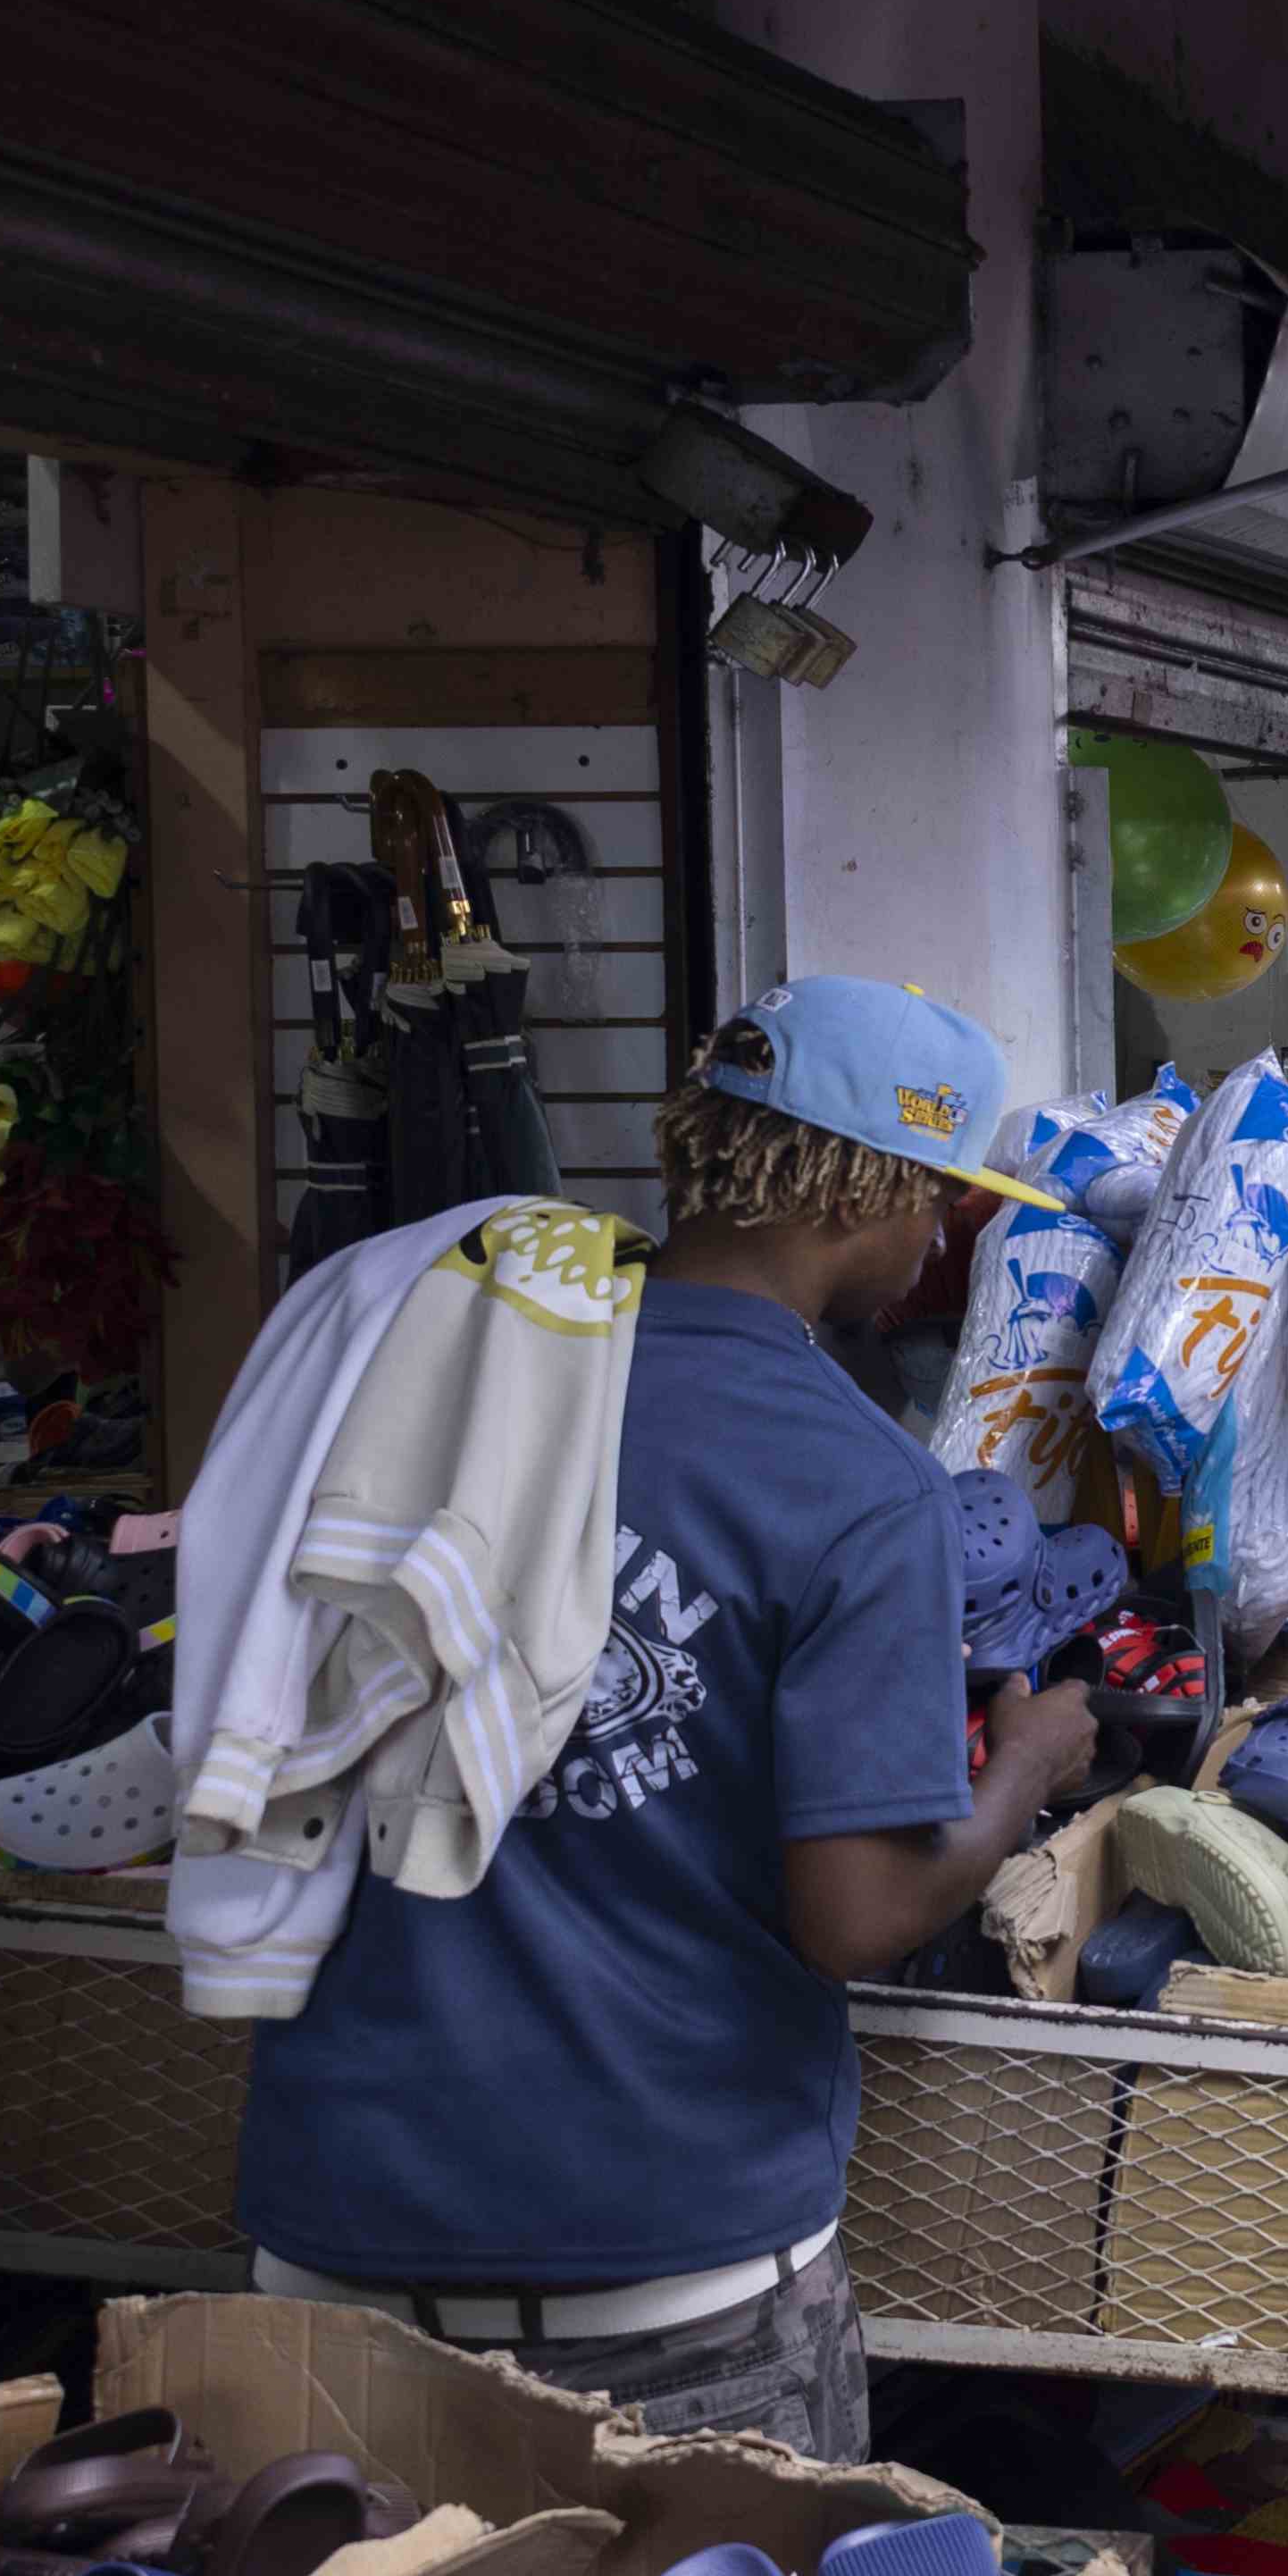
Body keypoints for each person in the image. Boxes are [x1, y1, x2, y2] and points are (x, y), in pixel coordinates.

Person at [230, 978, 1099, 2451]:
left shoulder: (423, 1383)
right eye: (937, 1202)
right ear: (861, 1186)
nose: (940, 1239)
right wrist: (1021, 1769)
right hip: (663, 2263)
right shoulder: (857, 1484)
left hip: (333, 2233)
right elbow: (854, 1911)